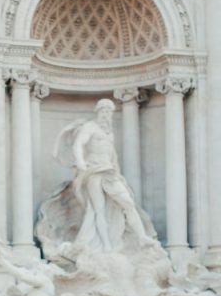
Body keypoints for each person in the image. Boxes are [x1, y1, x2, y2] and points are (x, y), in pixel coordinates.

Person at [53, 98, 157, 254]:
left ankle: (142, 237)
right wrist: (80, 161)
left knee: (127, 202)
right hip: (93, 171)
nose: (106, 114)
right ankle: (106, 245)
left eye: (109, 111)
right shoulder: (90, 127)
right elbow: (79, 144)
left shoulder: (109, 133)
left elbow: (112, 156)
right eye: (103, 111)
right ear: (98, 112)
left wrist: (118, 173)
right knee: (98, 209)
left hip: (109, 172)